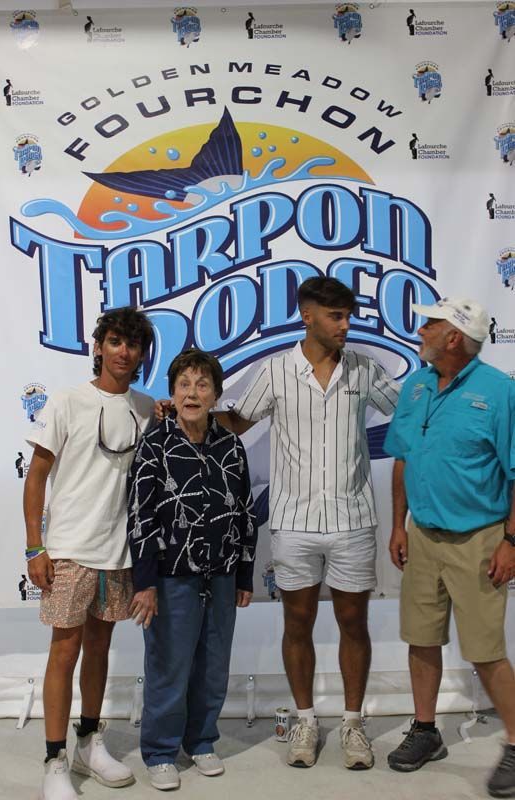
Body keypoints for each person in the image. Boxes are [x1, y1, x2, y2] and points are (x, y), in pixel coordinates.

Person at [157, 277, 400, 770]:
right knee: (298, 622)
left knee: (354, 622)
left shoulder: (365, 370)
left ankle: (353, 724)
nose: (345, 325)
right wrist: (181, 408)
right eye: (336, 316)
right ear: (307, 316)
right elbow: (236, 421)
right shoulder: (276, 371)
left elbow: (411, 412)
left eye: (348, 315)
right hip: (293, 522)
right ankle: (306, 720)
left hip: (354, 520)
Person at [384, 297, 515, 798]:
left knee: (486, 653)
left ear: (454, 338)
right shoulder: (416, 385)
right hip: (423, 536)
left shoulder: (500, 392)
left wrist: (510, 541)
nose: (421, 329)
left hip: (480, 540)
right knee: (421, 638)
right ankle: (425, 731)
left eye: (431, 323)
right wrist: (399, 525)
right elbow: (403, 458)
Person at [24, 306, 155, 800]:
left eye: (134, 344)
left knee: (99, 649)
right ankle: (54, 760)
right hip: (68, 551)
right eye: (116, 341)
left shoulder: (145, 408)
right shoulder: (65, 402)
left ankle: (89, 742)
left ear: (142, 354)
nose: (124, 352)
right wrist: (36, 546)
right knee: (65, 651)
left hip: (119, 553)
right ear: (98, 346)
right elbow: (36, 476)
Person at [127, 349, 257, 791]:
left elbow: (243, 512)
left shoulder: (230, 445)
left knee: (213, 665)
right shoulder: (155, 444)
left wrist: (243, 574)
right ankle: (160, 751)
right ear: (172, 392)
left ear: (216, 394)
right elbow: (141, 516)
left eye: (202, 385)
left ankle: (201, 741)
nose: (192, 393)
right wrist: (144, 584)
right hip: (169, 578)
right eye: (184, 384)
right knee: (168, 665)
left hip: (220, 576)